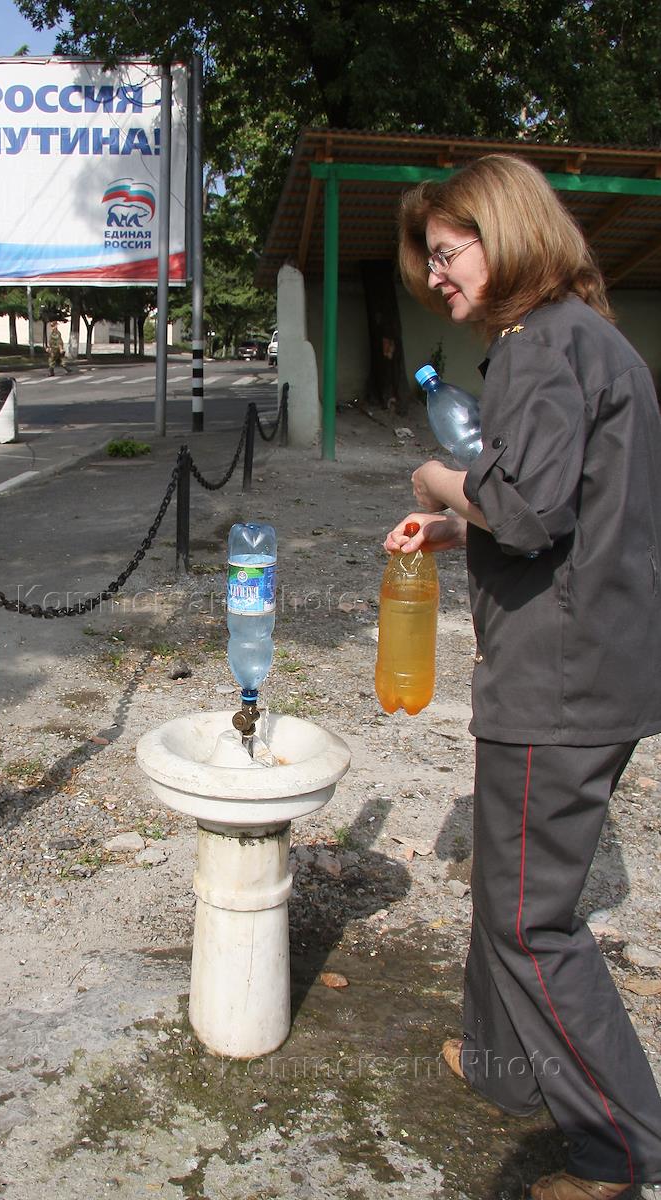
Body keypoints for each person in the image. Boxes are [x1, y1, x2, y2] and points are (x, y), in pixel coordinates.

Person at [388, 154, 661, 1200]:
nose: (436, 277)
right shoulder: (587, 340)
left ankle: (622, 1146)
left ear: (502, 233)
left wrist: (436, 479)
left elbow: (531, 507)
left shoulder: (540, 345)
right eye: (429, 261)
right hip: (586, 660)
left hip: (562, 676)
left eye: (445, 253)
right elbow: (564, 509)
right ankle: (503, 1066)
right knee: (504, 884)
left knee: (528, 919)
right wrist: (459, 530)